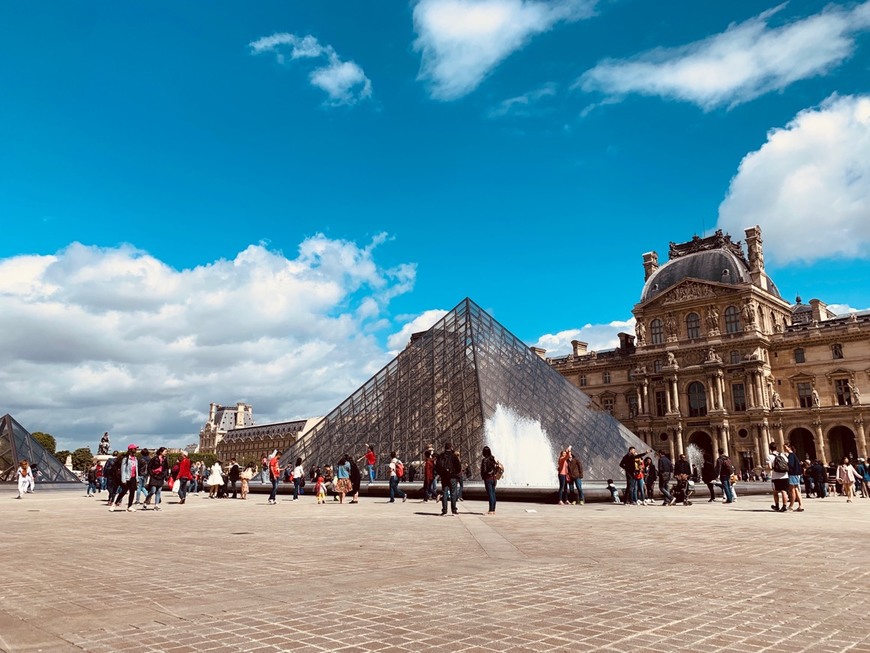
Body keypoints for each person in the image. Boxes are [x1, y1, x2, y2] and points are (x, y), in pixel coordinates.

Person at [111, 445, 140, 512]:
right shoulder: (125, 459)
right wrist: (123, 479)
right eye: (134, 449)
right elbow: (123, 470)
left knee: (132, 492)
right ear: (130, 450)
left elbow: (136, 469)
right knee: (123, 492)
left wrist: (137, 478)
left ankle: (129, 506)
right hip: (127, 478)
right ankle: (114, 504)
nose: (136, 450)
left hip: (133, 477)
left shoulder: (135, 459)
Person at [435, 442, 461, 515]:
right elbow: (459, 467)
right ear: (451, 447)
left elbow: (437, 467)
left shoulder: (441, 456)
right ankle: (454, 510)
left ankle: (444, 510)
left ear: (445, 448)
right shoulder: (454, 456)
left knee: (444, 493)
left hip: (444, 477)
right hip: (452, 477)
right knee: (453, 493)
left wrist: (441, 474)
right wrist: (455, 473)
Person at [767, 443, 789, 512]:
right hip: (785, 475)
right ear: (776, 448)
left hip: (776, 476)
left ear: (770, 448)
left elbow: (770, 467)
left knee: (775, 492)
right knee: (784, 491)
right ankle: (784, 506)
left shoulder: (769, 456)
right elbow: (787, 462)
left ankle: (777, 506)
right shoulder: (782, 455)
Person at [784, 443, 803, 511]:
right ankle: (801, 505)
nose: (784, 449)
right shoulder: (794, 455)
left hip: (792, 474)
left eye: (785, 447)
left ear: (789, 448)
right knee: (796, 490)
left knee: (792, 491)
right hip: (796, 474)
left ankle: (791, 506)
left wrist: (785, 463)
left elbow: (791, 465)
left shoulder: (791, 455)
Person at [480, 445, 499, 514]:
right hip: (494, 478)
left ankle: (491, 510)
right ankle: (493, 509)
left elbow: (484, 470)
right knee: (493, 493)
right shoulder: (492, 459)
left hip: (488, 479)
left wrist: (483, 475)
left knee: (490, 494)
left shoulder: (484, 460)